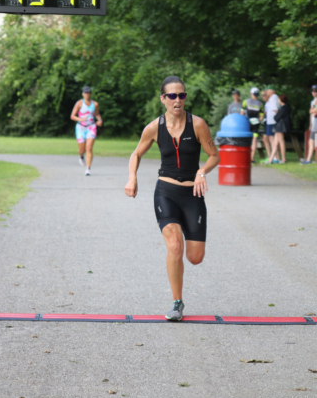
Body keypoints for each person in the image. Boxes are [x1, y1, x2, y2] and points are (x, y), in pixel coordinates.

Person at [124, 76, 220, 321]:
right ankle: (177, 303)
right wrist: (132, 178)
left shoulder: (197, 124)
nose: (178, 100)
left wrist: (201, 172)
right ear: (163, 99)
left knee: (195, 257)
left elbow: (214, 156)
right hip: (165, 191)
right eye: (172, 95)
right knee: (175, 245)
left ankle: (187, 263)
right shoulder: (153, 127)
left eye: (182, 95)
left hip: (193, 194)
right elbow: (136, 153)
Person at [70, 86, 102, 176]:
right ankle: (81, 156)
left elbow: (97, 114)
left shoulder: (95, 104)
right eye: (85, 93)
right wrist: (81, 119)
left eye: (88, 93)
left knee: (89, 148)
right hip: (80, 128)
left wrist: (100, 120)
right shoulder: (79, 103)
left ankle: (88, 169)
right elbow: (72, 116)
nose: (87, 95)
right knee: (82, 149)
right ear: (82, 94)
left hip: (91, 127)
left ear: (90, 94)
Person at [265, 94, 291, 164]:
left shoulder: (283, 108)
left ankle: (283, 159)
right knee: (275, 143)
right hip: (281, 126)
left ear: (281, 100)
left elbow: (276, 118)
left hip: (280, 126)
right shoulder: (287, 107)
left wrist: (275, 115)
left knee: (281, 142)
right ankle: (271, 159)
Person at [241, 87, 264, 163]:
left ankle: (244, 157)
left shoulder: (246, 102)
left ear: (251, 93)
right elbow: (261, 117)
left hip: (247, 123)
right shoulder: (260, 104)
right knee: (254, 141)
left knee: (246, 140)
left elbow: (242, 113)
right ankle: (252, 159)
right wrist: (258, 120)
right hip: (256, 124)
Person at [300, 85, 317, 165]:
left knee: (314, 142)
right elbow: (311, 113)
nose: (313, 93)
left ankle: (310, 159)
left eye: (315, 91)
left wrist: (314, 106)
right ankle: (308, 159)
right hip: (314, 123)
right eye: (313, 91)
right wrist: (310, 124)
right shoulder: (313, 101)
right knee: (311, 142)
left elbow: (312, 111)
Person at [265, 88, 280, 162]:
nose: (266, 91)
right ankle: (275, 157)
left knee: (273, 140)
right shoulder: (271, 98)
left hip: (272, 121)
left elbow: (276, 110)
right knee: (272, 139)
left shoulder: (273, 98)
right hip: (270, 121)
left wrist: (278, 120)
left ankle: (276, 157)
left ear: (272, 91)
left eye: (268, 90)